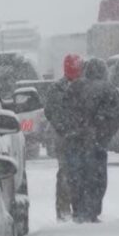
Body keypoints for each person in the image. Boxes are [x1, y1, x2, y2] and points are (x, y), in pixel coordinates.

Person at [63, 58, 119, 223]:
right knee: (97, 176)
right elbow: (117, 116)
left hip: (75, 140)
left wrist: (71, 131)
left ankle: (78, 209)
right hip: (97, 142)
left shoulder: (74, 87)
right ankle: (92, 210)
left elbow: (64, 112)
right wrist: (104, 134)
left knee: (76, 175)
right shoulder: (109, 90)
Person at [44, 54, 83, 221]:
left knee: (80, 173)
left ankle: (79, 210)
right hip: (64, 137)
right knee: (66, 173)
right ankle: (64, 212)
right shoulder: (57, 89)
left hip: (80, 137)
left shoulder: (83, 86)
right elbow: (50, 111)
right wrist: (63, 128)